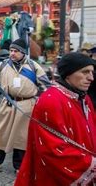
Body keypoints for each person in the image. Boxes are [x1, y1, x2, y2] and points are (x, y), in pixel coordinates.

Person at [15, 52, 96, 185]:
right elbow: (53, 150)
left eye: (92, 72)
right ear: (68, 74)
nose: (91, 78)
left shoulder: (84, 98)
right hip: (56, 177)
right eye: (85, 72)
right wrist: (91, 166)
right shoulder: (50, 101)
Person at [0, 38, 52, 173]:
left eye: (16, 51)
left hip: (26, 105)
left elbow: (46, 87)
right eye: (11, 51)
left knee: (22, 136)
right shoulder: (2, 66)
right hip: (6, 104)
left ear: (23, 52)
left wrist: (43, 104)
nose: (12, 53)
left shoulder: (33, 66)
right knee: (1, 133)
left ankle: (18, 166)